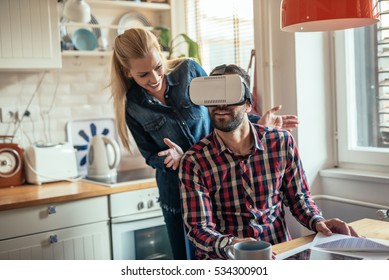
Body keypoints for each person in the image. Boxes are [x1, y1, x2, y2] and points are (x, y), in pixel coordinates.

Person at [110, 28, 299, 260]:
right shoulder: (133, 106)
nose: (155, 78)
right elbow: (150, 155)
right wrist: (173, 159)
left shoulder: (189, 70)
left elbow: (221, 109)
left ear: (161, 54)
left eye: (158, 67)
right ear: (128, 72)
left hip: (219, 180)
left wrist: (258, 124)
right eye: (143, 74)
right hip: (176, 193)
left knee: (224, 253)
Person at [178, 64, 360, 260]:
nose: (221, 105)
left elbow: (299, 198)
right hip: (227, 260)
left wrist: (318, 221)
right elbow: (199, 228)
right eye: (214, 96)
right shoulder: (194, 161)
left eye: (230, 94)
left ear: (248, 104)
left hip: (281, 254)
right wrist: (232, 244)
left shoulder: (281, 142)